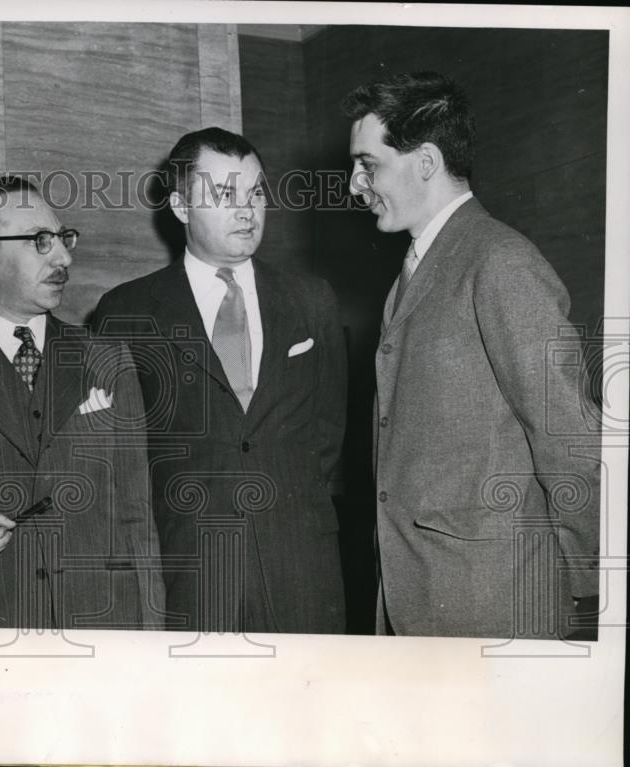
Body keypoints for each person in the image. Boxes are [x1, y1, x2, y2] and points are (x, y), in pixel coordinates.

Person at [342, 71, 600, 638]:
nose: (356, 186)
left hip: (491, 603)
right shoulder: (415, 270)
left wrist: (593, 585)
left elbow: (570, 436)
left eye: (369, 165)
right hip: (421, 595)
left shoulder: (499, 260)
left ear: (426, 161)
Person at [93, 127, 348, 634]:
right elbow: (119, 456)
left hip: (301, 567)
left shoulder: (311, 300)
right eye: (225, 195)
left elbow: (327, 436)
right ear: (181, 207)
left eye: (255, 193)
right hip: (189, 569)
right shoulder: (126, 312)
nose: (247, 211)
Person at [0, 175, 164, 629]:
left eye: (63, 238)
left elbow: (138, 517)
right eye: (40, 241)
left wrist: (153, 635)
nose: (63, 257)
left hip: (106, 628)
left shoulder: (107, 358)